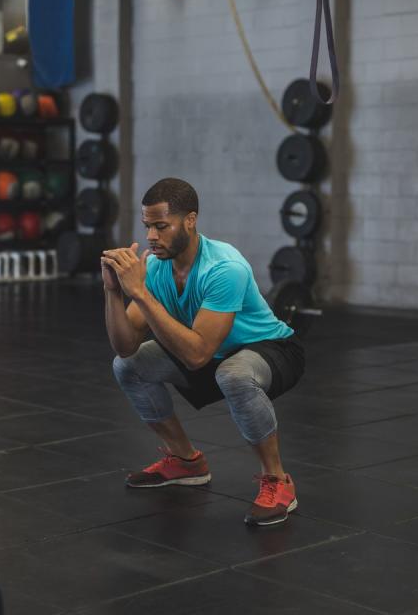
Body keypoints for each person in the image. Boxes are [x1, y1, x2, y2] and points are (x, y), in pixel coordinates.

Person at [102, 177, 306, 526]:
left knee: (233, 374)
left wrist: (141, 294)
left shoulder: (224, 268)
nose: (151, 236)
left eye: (161, 226)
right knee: (128, 365)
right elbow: (125, 345)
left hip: (270, 350)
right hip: (206, 353)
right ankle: (185, 460)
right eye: (148, 226)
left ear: (190, 220)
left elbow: (197, 356)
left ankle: (277, 479)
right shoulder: (156, 267)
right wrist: (114, 292)